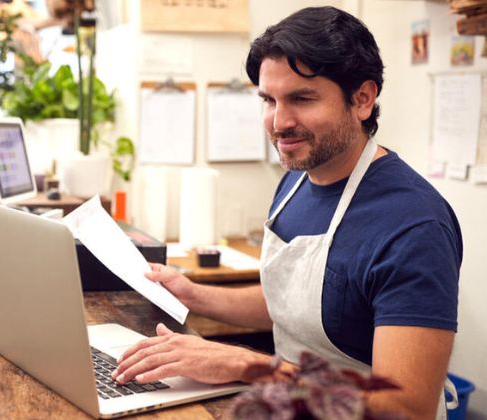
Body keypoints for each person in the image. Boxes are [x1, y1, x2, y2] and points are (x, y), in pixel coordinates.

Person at [112, 6, 461, 419]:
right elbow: (300, 302)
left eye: (301, 99)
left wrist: (248, 365)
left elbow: (405, 407)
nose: (279, 122)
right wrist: (195, 295)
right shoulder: (297, 181)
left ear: (363, 99)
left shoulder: (414, 225)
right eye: (268, 100)